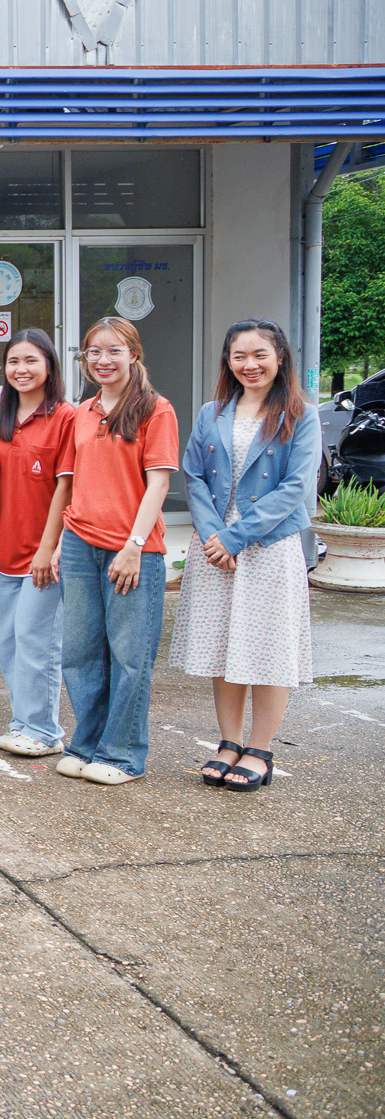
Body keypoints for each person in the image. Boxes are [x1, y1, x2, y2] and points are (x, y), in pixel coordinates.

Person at [172, 320, 320, 792]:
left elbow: (296, 487)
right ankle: (229, 743)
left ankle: (260, 749)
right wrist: (214, 536)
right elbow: (193, 476)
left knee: (268, 647)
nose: (249, 364)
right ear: (228, 361)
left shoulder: (301, 415)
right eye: (239, 356)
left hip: (267, 546)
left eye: (260, 355)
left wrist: (236, 538)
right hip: (215, 546)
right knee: (224, 645)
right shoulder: (211, 412)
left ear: (280, 358)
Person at [56, 317, 179, 786]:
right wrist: (60, 542)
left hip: (131, 550)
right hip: (80, 544)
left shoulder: (155, 409)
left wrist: (134, 546)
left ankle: (122, 754)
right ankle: (86, 745)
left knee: (130, 657)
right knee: (80, 653)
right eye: (94, 352)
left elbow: (159, 484)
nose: (102, 360)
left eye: (113, 351)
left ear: (133, 354)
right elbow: (74, 483)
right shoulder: (82, 412)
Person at [0, 329, 76, 759]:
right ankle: (23, 723)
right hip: (5, 549)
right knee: (9, 641)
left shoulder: (65, 417)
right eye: (13, 361)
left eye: (31, 361)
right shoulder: (0, 416)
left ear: (49, 366)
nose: (21, 369)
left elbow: (66, 487)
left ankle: (44, 730)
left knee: (37, 642)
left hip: (44, 556)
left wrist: (48, 547)